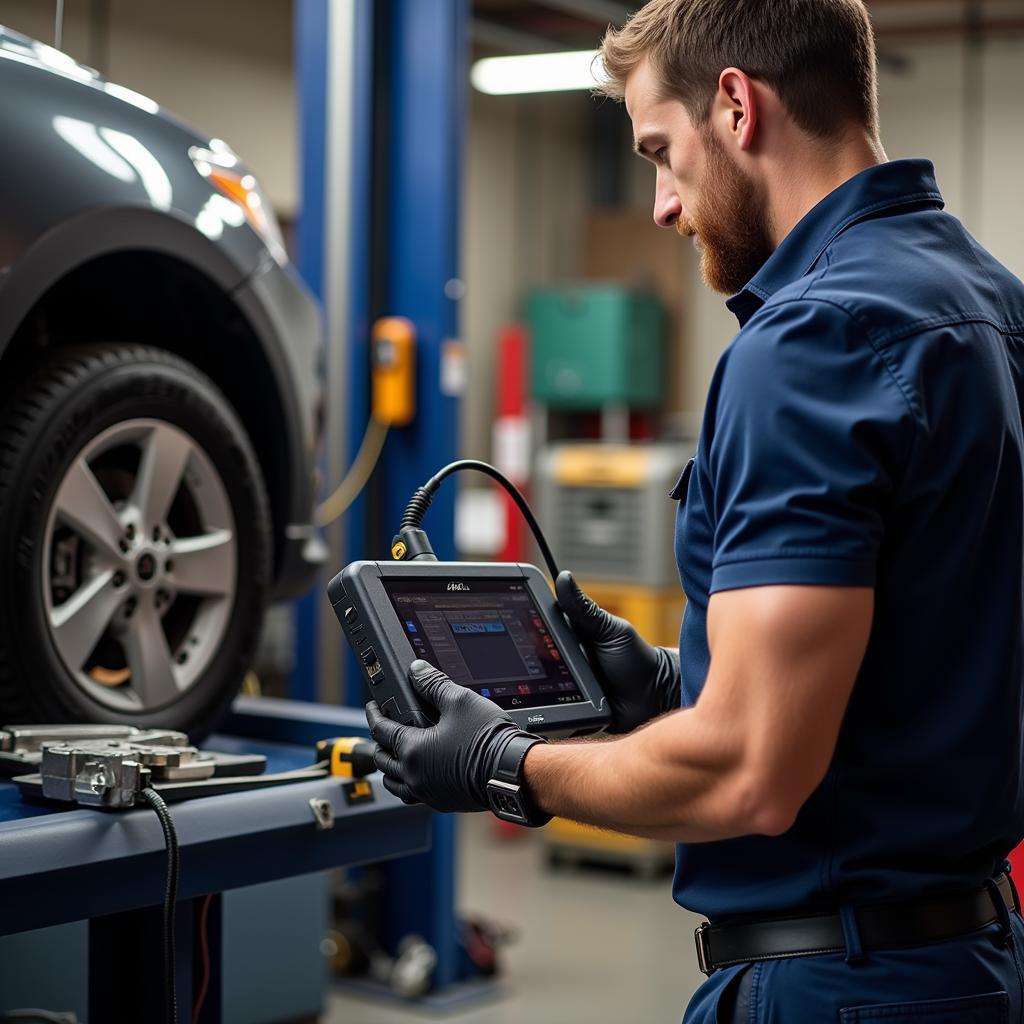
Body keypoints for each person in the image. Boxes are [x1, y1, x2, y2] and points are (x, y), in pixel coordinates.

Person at [366, 0, 1024, 1019]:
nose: (664, 204)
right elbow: (926, 656)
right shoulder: (989, 305)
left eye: (660, 152)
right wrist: (673, 683)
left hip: (838, 983)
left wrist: (507, 764)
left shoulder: (809, 344)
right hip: (969, 957)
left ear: (734, 106)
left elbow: (749, 777)